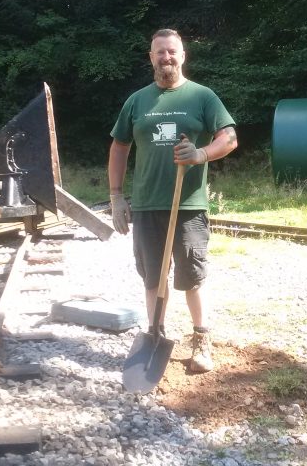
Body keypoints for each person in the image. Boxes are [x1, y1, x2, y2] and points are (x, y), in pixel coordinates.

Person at [107, 28, 238, 373]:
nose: (166, 57)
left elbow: (229, 137)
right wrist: (116, 196)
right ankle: (155, 333)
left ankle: (201, 338)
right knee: (152, 277)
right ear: (151, 57)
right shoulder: (137, 101)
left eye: (172, 51)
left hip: (189, 204)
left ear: (183, 56)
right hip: (148, 204)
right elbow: (119, 147)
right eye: (159, 52)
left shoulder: (202, 96)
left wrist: (200, 154)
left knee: (191, 276)